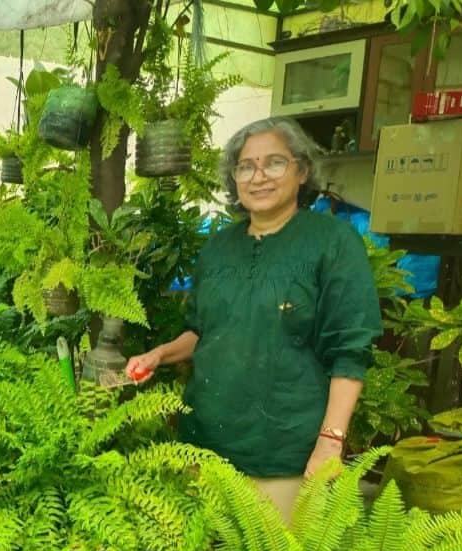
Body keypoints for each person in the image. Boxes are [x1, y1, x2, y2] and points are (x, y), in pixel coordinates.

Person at [125, 117, 382, 523]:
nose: (259, 176)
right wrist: (160, 354)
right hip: (204, 443)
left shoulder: (332, 242)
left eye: (274, 163)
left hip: (283, 453)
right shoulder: (219, 248)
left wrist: (330, 441)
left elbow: (350, 350)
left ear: (302, 171)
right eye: (246, 166)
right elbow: (203, 331)